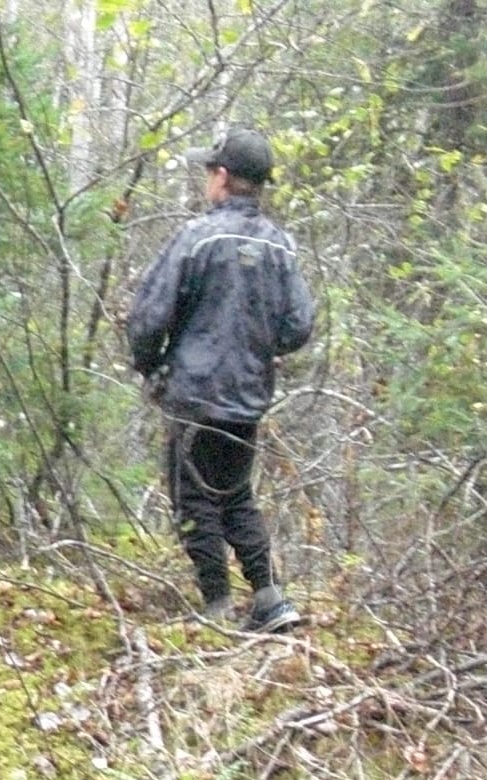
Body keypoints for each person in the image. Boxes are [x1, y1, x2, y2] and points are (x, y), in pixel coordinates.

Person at [128, 128, 315, 631]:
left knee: (193, 500)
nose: (207, 179)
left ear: (224, 178)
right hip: (247, 397)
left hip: (193, 395)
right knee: (234, 495)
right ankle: (270, 598)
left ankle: (216, 606)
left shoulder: (196, 238)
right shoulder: (282, 246)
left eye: (210, 171)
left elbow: (147, 317)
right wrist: (257, 350)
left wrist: (149, 366)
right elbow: (298, 326)